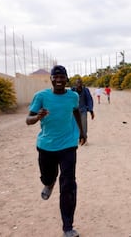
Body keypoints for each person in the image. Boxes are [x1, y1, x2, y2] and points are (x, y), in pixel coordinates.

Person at [26, 65, 86, 237]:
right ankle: (49, 182)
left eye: (62, 77)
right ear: (51, 79)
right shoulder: (41, 96)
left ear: (67, 79)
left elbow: (75, 112)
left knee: (68, 184)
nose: (59, 80)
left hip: (68, 145)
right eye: (56, 77)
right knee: (48, 176)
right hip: (46, 146)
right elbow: (28, 120)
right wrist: (38, 117)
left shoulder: (73, 96)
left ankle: (68, 226)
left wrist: (82, 132)